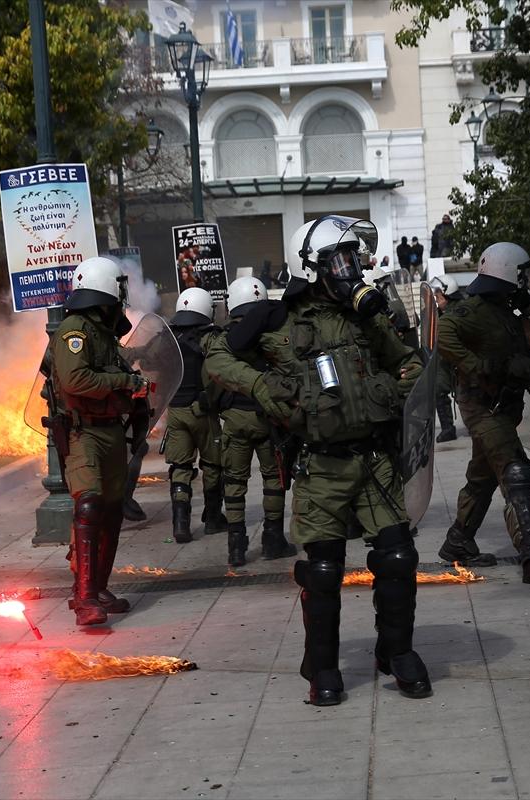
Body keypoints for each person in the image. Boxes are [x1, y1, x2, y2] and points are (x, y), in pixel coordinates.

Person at [207, 215, 433, 705]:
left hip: (374, 461)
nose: (352, 269)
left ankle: (395, 651)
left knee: (398, 556)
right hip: (320, 465)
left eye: (354, 257)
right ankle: (324, 666)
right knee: (325, 570)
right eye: (340, 259)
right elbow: (216, 356)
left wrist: (394, 392)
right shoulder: (275, 320)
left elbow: (409, 360)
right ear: (310, 267)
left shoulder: (367, 317)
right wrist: (264, 386)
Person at [436, 242, 530, 583]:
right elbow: (444, 334)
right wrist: (476, 366)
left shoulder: (508, 315)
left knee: (482, 477)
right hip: (483, 406)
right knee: (515, 472)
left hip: (505, 407)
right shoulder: (473, 310)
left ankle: (458, 542)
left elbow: (520, 357)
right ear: (507, 273)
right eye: (522, 275)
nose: (526, 282)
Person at [48, 255, 148, 626]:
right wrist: (123, 383)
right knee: (89, 506)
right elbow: (75, 381)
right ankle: (85, 597)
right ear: (106, 288)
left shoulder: (105, 333)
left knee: (110, 510)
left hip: (109, 430)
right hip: (83, 431)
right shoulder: (75, 331)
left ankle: (100, 587)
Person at [205, 276, 296, 567]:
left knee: (234, 482)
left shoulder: (224, 340)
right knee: (274, 479)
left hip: (234, 420)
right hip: (269, 419)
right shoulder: (274, 335)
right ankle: (273, 539)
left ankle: (236, 545)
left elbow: (212, 380)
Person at [163, 287, 226, 544]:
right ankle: (212, 518)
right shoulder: (209, 338)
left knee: (180, 467)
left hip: (175, 411)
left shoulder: (166, 337)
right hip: (203, 411)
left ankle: (181, 524)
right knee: (212, 464)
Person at [428, 274, 465, 443]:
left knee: (469, 392)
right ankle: (448, 428)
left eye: (438, 296)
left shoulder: (460, 311)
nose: (436, 299)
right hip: (445, 360)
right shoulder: (440, 312)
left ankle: (478, 422)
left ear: (447, 294)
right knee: (438, 389)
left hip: (463, 359)